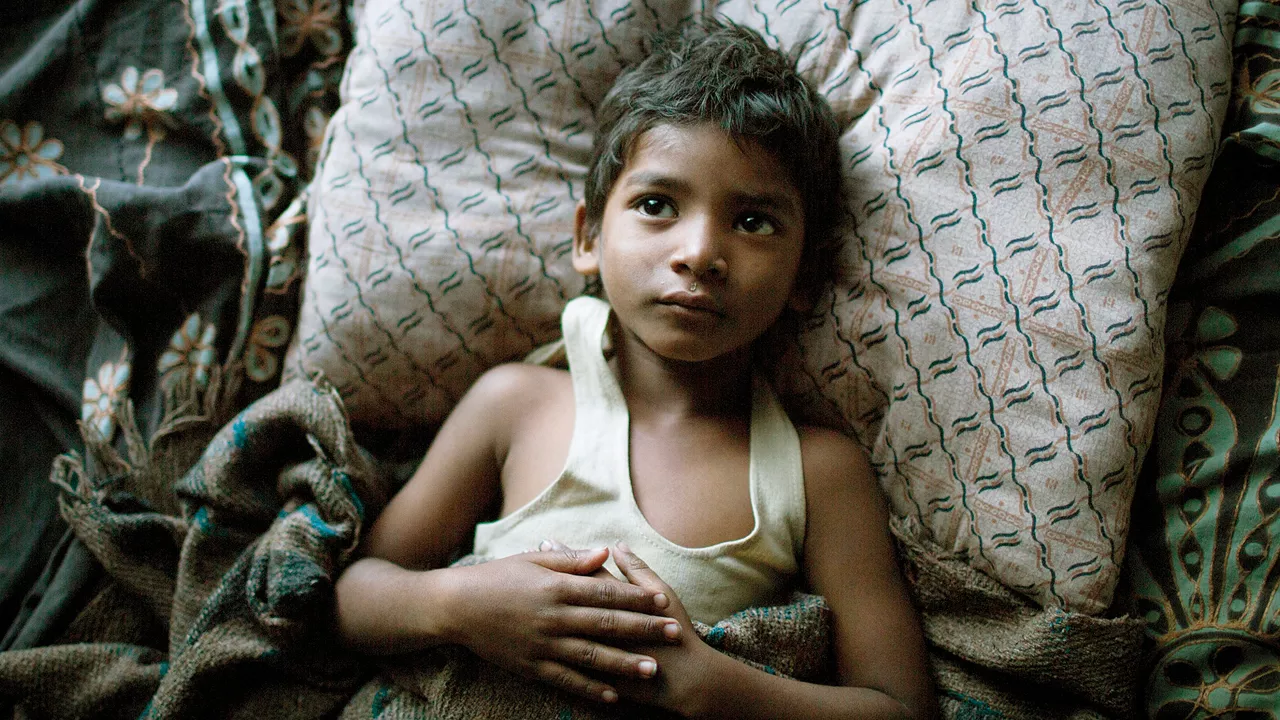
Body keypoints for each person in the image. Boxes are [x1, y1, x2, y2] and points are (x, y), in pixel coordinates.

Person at [334, 18, 935, 719]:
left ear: (806, 274)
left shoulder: (815, 471)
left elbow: (900, 707)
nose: (699, 251)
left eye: (753, 222)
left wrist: (714, 689)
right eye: (657, 206)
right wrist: (460, 603)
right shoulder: (516, 406)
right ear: (588, 237)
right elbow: (353, 597)